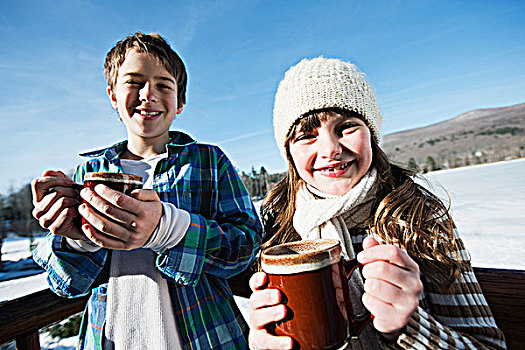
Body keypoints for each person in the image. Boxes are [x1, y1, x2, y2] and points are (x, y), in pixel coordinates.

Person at [248, 57, 506, 349]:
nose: (330, 150)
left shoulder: (420, 216)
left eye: (346, 127)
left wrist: (409, 327)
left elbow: (487, 345)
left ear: (371, 133)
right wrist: (264, 342)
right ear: (289, 154)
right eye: (307, 135)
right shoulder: (280, 229)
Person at [31, 32, 261, 349]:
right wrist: (77, 239)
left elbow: (246, 246)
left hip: (206, 336)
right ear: (112, 95)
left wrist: (168, 228)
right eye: (134, 82)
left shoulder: (209, 161)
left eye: (164, 85)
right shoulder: (89, 173)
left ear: (180, 102)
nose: (148, 94)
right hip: (112, 338)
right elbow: (66, 283)